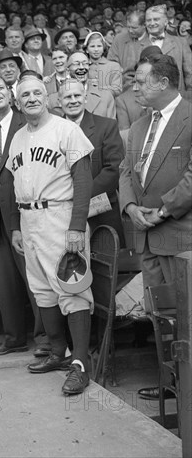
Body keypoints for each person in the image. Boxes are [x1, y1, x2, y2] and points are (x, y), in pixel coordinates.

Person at [8, 73, 94, 396]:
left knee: (72, 289)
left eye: (36, 93)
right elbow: (12, 183)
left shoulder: (66, 129)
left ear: (48, 98)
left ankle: (81, 364)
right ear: (18, 102)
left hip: (60, 214)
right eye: (25, 95)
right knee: (42, 289)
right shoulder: (17, 137)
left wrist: (76, 226)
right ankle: (58, 352)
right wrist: (16, 226)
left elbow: (83, 180)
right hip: (29, 217)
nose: (31, 98)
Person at [119, 54, 192, 401]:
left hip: (180, 236)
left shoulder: (190, 118)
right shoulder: (137, 125)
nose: (135, 85)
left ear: (163, 83)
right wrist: (131, 207)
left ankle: (187, 388)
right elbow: (124, 170)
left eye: (141, 79)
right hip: (146, 234)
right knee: (158, 315)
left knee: (185, 314)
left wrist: (163, 210)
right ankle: (170, 383)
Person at [0, 74, 33, 356]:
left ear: (10, 95)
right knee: (5, 284)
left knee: (34, 280)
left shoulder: (27, 124)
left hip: (25, 215)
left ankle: (48, 339)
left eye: (1, 87)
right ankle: (14, 338)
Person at [58, 78, 125, 245]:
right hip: (60, 215)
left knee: (103, 267)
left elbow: (113, 169)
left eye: (77, 95)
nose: (73, 101)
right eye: (67, 97)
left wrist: (79, 199)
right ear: (59, 101)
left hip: (100, 215)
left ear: (85, 97)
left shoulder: (107, 126)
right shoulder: (52, 131)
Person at [138, 5, 192, 96]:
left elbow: (190, 73)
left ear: (166, 21)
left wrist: (188, 98)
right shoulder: (137, 45)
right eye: (148, 20)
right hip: (147, 101)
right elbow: (130, 75)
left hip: (177, 99)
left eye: (156, 19)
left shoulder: (181, 43)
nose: (152, 23)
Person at [83, 31, 122, 98]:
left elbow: (117, 89)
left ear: (103, 48)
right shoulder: (83, 66)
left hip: (107, 104)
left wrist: (98, 88)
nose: (96, 49)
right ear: (87, 49)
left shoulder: (113, 66)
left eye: (99, 46)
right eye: (92, 46)